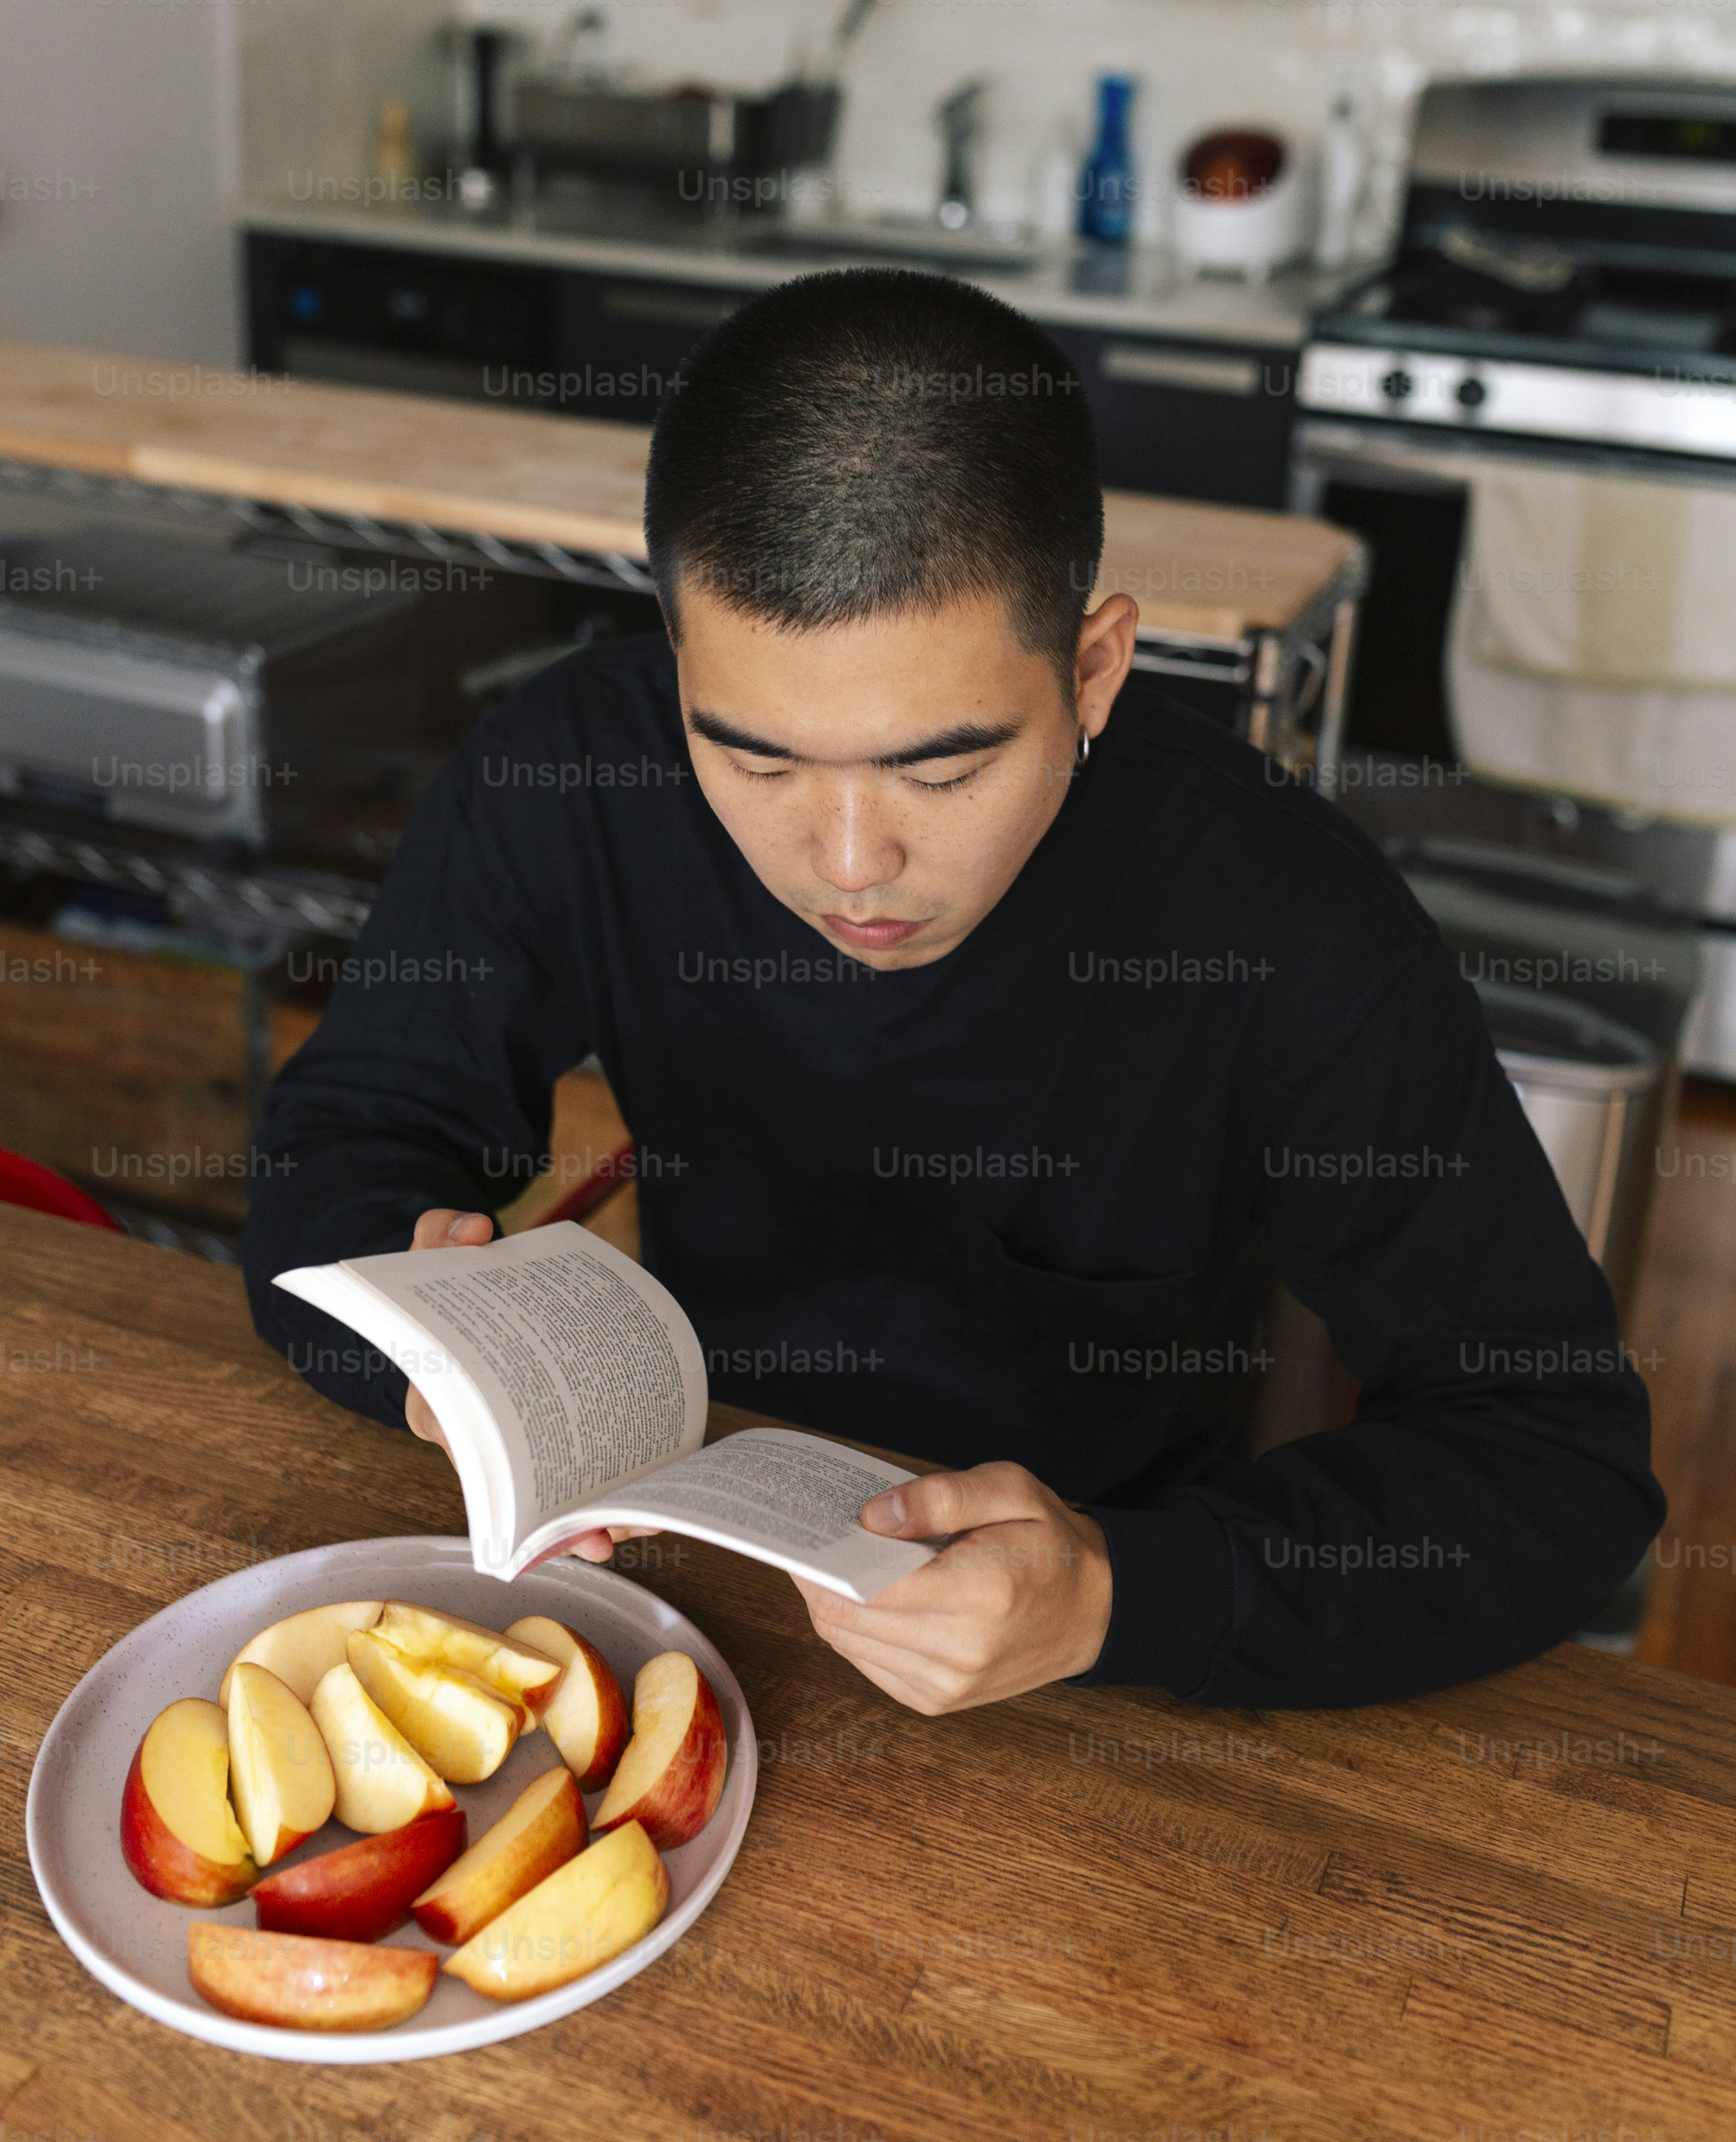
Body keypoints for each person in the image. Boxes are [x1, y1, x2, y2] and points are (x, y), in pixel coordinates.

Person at [243, 267, 1663, 1714]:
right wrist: (427, 1358)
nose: (854, 867)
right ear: (679, 664)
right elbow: (349, 1138)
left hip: (1082, 1652)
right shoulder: (570, 778)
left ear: (1097, 668)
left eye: (946, 768)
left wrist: (1121, 1593)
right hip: (671, 1574)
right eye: (759, 760)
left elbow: (1556, 1462)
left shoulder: (1281, 917)